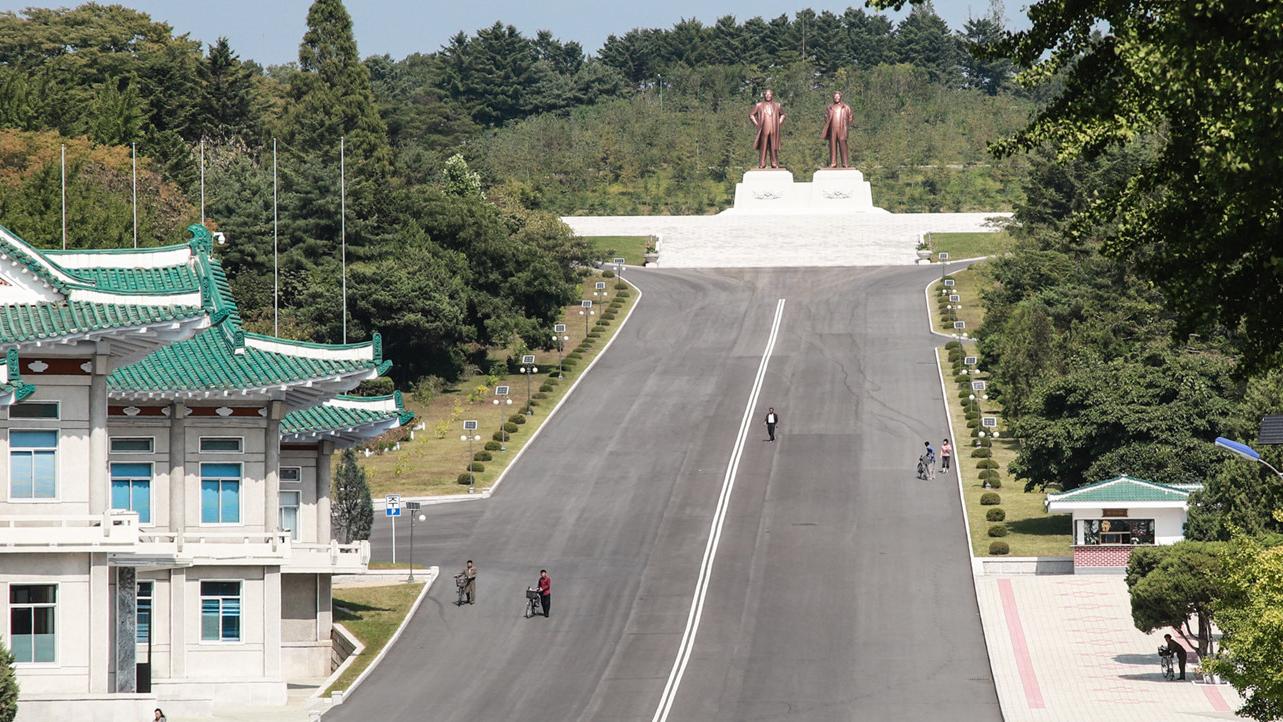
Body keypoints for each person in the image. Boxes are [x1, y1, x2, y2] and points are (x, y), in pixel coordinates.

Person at [749, 89, 786, 169]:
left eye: (769, 94)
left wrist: (778, 123)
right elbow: (751, 115)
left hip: (774, 129)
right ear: (764, 95)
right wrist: (757, 124)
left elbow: (783, 115)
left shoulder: (777, 105)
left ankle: (774, 163)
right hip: (764, 129)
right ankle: (762, 163)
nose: (768, 96)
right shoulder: (759, 105)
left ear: (772, 95)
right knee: (763, 147)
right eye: (766, 94)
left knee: (774, 147)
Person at [820, 91, 854, 168]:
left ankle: (845, 163)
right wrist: (829, 123)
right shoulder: (830, 107)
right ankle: (833, 163)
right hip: (832, 129)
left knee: (843, 145)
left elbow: (850, 117)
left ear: (840, 97)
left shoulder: (845, 107)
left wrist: (846, 125)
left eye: (838, 96)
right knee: (832, 146)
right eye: (835, 96)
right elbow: (826, 116)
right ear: (833, 97)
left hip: (842, 128)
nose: (836, 98)